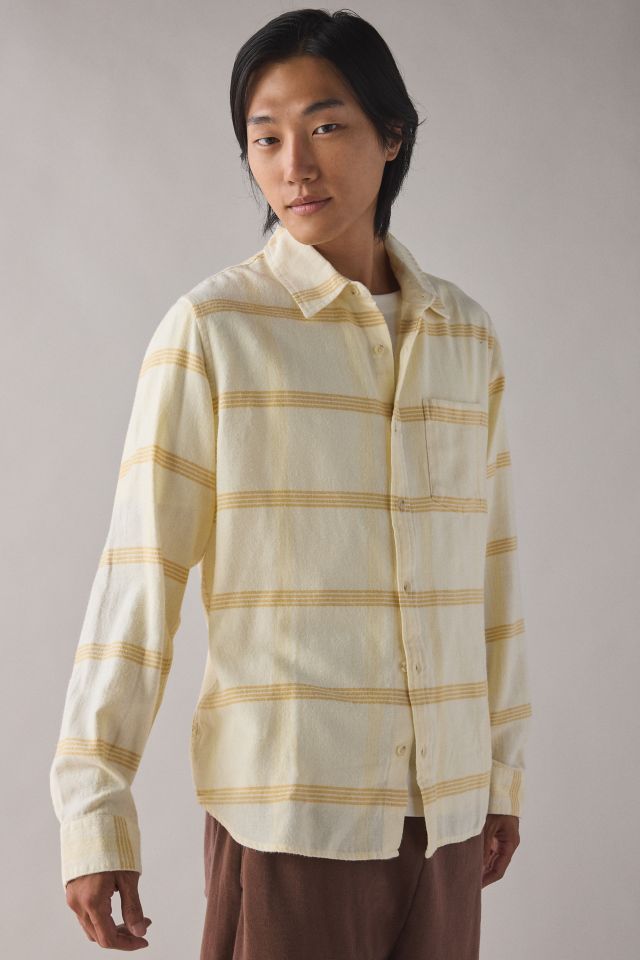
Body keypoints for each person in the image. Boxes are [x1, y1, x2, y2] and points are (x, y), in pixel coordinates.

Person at [50, 8, 532, 957]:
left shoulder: (465, 336)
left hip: (446, 817)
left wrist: (501, 774)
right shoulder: (215, 329)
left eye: (326, 126)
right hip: (289, 820)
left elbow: (493, 572)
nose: (294, 166)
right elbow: (140, 577)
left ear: (392, 135)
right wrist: (94, 812)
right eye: (265, 137)